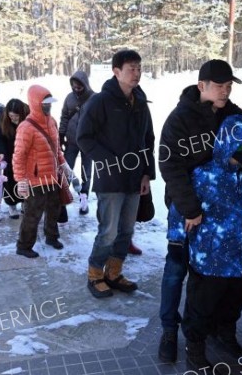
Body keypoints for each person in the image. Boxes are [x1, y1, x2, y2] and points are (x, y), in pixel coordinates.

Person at [157, 59, 242, 363]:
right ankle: (170, 331)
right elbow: (171, 166)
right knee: (178, 271)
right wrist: (190, 210)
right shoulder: (181, 119)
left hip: (231, 218)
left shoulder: (235, 115)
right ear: (201, 86)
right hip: (191, 212)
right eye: (219, 85)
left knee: (225, 285)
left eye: (229, 85)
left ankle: (222, 333)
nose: (225, 90)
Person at [76, 49, 156, 298]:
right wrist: (109, 162)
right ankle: (95, 274)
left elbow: (148, 139)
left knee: (126, 230)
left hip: (134, 179)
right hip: (110, 180)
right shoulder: (100, 101)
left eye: (139, 68)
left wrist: (147, 174)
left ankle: (114, 272)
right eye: (131, 68)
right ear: (116, 71)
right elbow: (83, 137)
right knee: (108, 231)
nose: (136, 73)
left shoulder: (140, 101)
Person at [14, 85, 71, 258]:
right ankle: (23, 246)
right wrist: (21, 180)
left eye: (49, 103)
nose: (48, 106)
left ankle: (51, 237)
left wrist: (63, 165)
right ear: (35, 103)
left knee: (55, 208)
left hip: (53, 176)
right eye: (44, 103)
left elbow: (57, 149)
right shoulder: (26, 127)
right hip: (35, 180)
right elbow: (19, 155)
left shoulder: (52, 121)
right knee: (32, 214)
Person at [59, 70, 95, 220]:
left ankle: (84, 198)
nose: (76, 89)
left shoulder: (94, 98)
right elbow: (64, 117)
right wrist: (61, 135)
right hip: (72, 140)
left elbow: (100, 120)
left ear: (85, 84)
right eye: (74, 86)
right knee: (66, 169)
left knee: (86, 171)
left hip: (88, 142)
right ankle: (63, 197)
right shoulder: (69, 98)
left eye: (79, 86)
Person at [0, 98, 29, 219]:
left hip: (25, 151)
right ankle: (12, 205)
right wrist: (3, 153)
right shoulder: (3, 118)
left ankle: (25, 201)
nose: (14, 119)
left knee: (25, 178)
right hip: (9, 150)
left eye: (16, 116)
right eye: (11, 116)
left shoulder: (29, 113)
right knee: (10, 179)